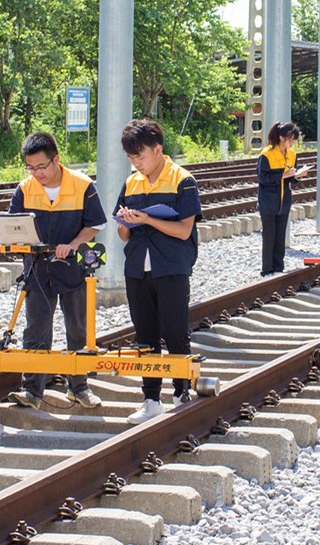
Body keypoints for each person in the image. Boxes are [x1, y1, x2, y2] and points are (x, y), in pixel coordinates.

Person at [6, 132, 107, 411]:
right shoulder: (24, 189)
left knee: (77, 328)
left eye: (41, 167)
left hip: (74, 269)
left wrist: (74, 244)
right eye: (31, 168)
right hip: (38, 270)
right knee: (36, 329)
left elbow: (96, 224)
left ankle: (79, 387)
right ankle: (32, 391)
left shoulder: (83, 185)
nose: (36, 173)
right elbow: (14, 225)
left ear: (56, 160)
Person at [114, 119, 202, 424]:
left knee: (175, 331)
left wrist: (148, 220)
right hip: (137, 267)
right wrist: (127, 222)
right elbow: (122, 235)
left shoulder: (183, 180)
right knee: (145, 335)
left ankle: (181, 391)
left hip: (171, 265)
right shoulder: (131, 183)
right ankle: (150, 398)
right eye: (131, 159)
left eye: (140, 157)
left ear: (158, 150)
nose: (137, 164)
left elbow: (183, 230)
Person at [257, 121, 310, 275]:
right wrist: (283, 175)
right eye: (290, 139)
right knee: (269, 237)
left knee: (280, 237)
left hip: (283, 202)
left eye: (294, 140)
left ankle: (279, 268)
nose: (292, 143)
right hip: (268, 202)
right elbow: (263, 178)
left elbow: (291, 179)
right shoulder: (266, 154)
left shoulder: (292, 155)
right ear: (281, 137)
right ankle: (267, 270)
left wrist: (298, 176)